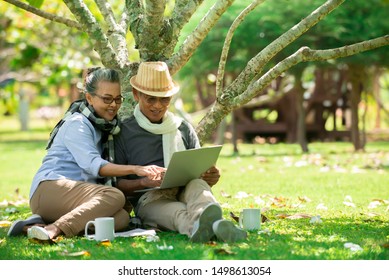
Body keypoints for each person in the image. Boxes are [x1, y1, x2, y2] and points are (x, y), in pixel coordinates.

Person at [8, 67, 163, 240]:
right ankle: (54, 228)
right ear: (89, 98)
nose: (113, 105)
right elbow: (94, 165)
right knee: (113, 196)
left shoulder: (106, 127)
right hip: (50, 189)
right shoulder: (77, 124)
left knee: (121, 218)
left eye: (117, 99)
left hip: (77, 198)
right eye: (107, 99)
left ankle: (35, 226)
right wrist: (136, 169)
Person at [114, 61, 247, 243]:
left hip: (186, 189)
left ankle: (209, 226)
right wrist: (144, 182)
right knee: (178, 214)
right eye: (150, 98)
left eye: (164, 99)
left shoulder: (182, 128)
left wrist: (212, 176)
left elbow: (198, 168)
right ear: (137, 95)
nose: (158, 106)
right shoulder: (124, 132)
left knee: (200, 187)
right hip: (150, 199)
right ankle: (216, 227)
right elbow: (115, 184)